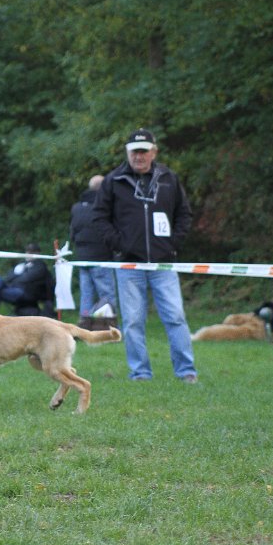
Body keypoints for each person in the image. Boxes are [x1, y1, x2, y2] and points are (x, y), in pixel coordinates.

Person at [93, 128, 198, 383]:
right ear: (127, 153)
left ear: (154, 152)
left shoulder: (169, 179)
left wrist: (172, 243)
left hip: (164, 264)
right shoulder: (114, 180)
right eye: (134, 152)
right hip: (128, 265)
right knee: (132, 321)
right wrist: (120, 245)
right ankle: (140, 373)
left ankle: (186, 371)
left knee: (175, 317)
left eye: (143, 151)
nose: (138, 156)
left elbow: (184, 214)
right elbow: (99, 218)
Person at [70, 175, 118, 329]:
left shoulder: (77, 208)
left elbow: (72, 233)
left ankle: (84, 324)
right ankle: (110, 326)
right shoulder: (105, 207)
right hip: (101, 258)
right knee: (107, 294)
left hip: (83, 258)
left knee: (86, 294)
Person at [0, 243, 52, 315]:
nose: (28, 253)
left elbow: (25, 279)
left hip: (26, 293)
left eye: (31, 252)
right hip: (15, 289)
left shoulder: (40, 266)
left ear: (38, 253)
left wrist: (17, 275)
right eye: (27, 251)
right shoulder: (23, 263)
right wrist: (17, 274)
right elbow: (8, 277)